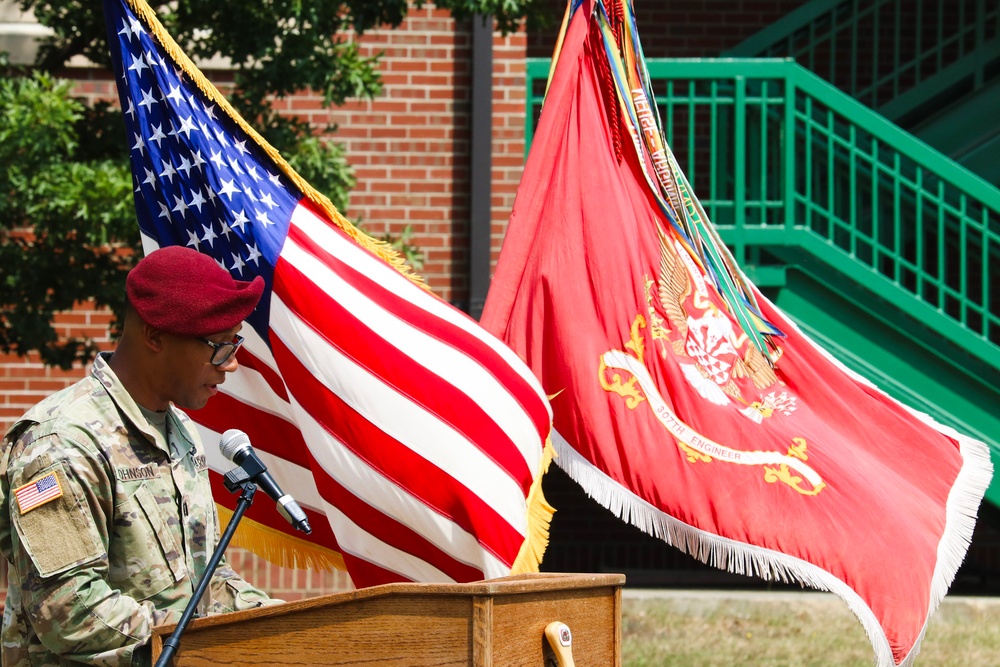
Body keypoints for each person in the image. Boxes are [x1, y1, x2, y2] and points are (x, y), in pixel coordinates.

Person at [0, 246, 279, 666]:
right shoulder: (60, 443)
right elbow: (68, 611)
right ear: (154, 336)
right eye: (219, 346)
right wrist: (210, 642)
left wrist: (286, 624)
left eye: (233, 343)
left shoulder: (181, 430)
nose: (231, 364)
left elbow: (204, 581)